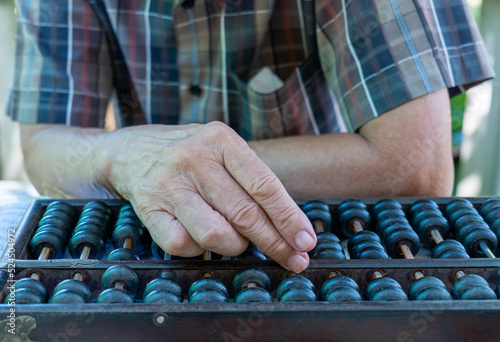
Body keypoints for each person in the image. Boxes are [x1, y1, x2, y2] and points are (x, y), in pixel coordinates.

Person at [6, 0, 494, 273]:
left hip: (321, 251)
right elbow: (44, 144)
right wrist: (121, 155)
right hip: (157, 249)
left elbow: (414, 166)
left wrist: (195, 168)